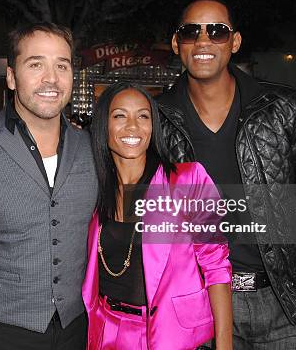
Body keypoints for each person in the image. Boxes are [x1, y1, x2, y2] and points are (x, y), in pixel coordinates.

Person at [157, 0, 296, 350]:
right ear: (175, 43)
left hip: (283, 302)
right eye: (190, 32)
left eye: (216, 31)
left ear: (235, 42)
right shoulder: (157, 118)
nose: (203, 41)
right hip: (197, 302)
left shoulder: (281, 107)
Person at [0, 22, 98, 350]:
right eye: (36, 64)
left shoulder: (93, 148)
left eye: (62, 65)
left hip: (76, 327)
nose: (51, 78)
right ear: (12, 77)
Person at [82, 83, 232, 350]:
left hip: (169, 334)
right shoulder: (93, 188)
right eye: (119, 116)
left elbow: (216, 267)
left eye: (143, 116)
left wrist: (225, 345)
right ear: (102, 125)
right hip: (106, 330)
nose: (133, 126)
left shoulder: (186, 180)